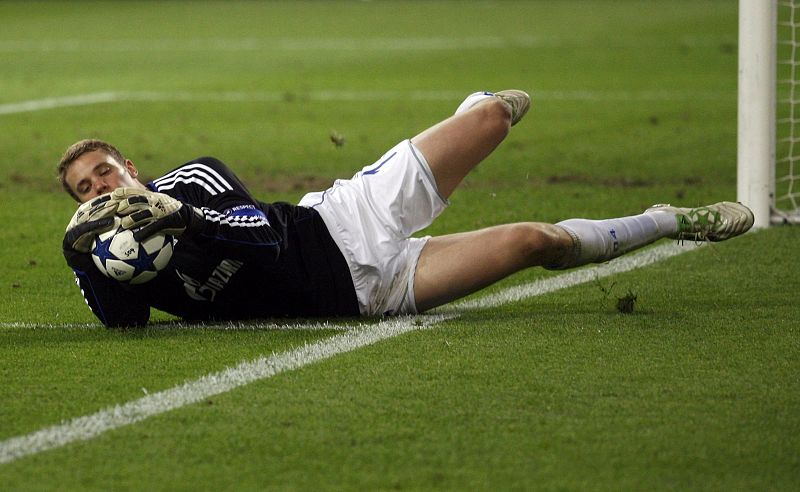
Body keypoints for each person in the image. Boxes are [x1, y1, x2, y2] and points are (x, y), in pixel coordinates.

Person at [59, 90, 754, 327]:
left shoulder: (192, 180)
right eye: (85, 191)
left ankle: (463, 115)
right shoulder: (114, 260)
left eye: (104, 172)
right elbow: (125, 325)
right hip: (368, 295)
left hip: (342, 221)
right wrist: (84, 262)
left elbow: (264, 238)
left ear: (131, 167)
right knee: (534, 241)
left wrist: (177, 215)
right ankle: (671, 221)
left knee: (492, 118)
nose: (100, 190)